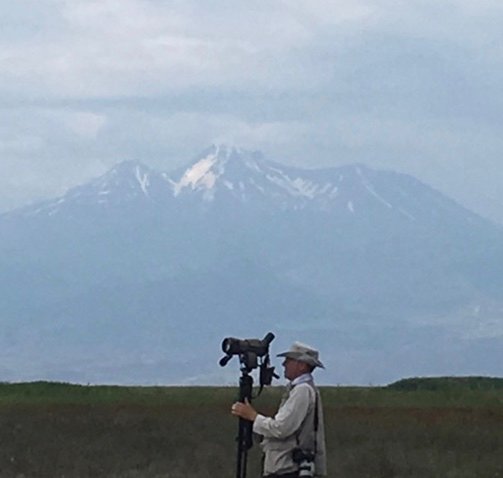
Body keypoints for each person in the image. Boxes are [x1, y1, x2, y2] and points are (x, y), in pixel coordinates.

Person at [231, 342, 327, 477]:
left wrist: (253, 416)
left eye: (289, 360)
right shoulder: (300, 389)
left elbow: (281, 428)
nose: (284, 364)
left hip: (288, 469)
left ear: (302, 365)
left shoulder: (302, 391)